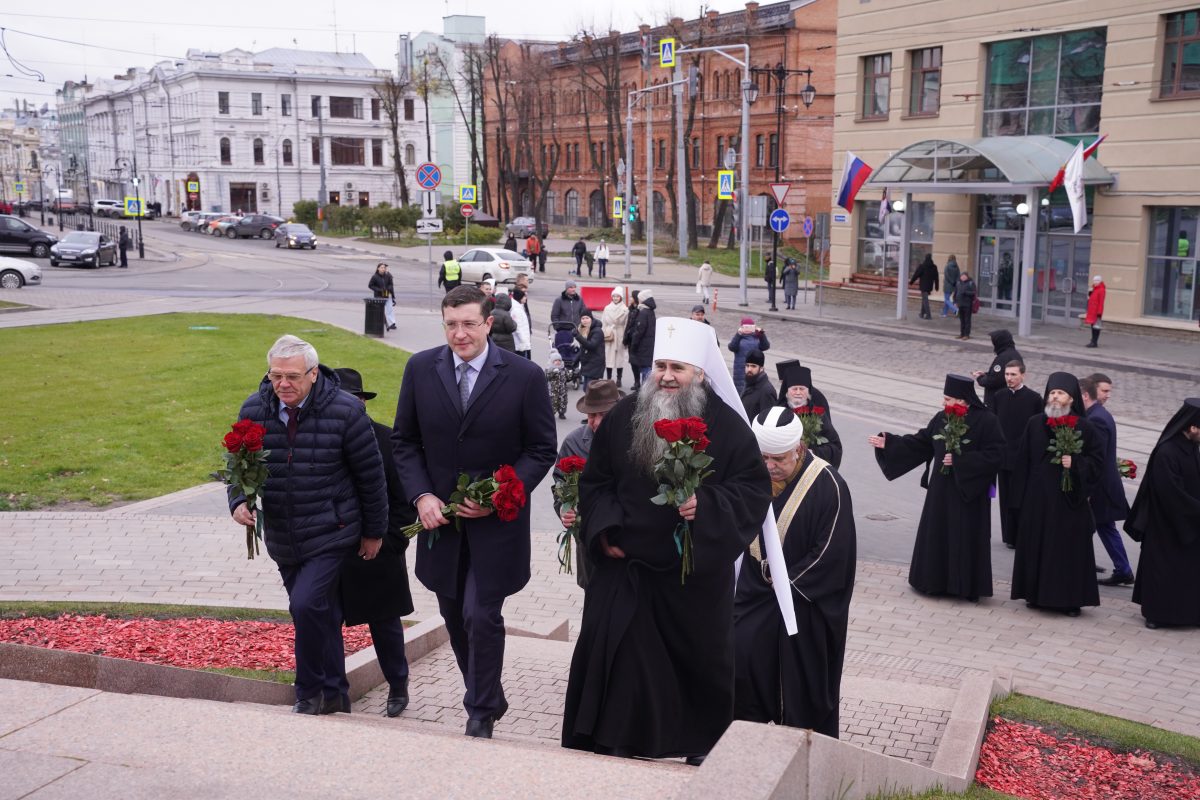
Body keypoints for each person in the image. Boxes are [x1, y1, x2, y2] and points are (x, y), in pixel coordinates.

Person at [562, 317, 772, 764]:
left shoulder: (730, 428)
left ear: (699, 372)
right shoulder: (626, 415)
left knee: (695, 662)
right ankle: (619, 740)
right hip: (628, 568)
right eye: (660, 365)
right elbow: (596, 483)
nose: (667, 376)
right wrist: (607, 533)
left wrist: (708, 506)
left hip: (690, 577)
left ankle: (697, 744)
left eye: (678, 367)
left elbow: (753, 491)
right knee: (624, 663)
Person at [392, 285, 558, 738]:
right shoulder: (421, 368)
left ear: (488, 323)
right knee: (453, 613)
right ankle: (488, 692)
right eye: (451, 324)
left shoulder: (524, 376)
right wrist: (421, 495)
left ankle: (480, 711)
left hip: (497, 526)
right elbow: (404, 441)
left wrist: (503, 493)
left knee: (480, 614)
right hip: (440, 524)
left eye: (468, 324)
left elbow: (542, 449)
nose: (459, 334)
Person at [228, 335, 388, 715]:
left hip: (333, 531)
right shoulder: (254, 408)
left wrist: (373, 532)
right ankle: (336, 694)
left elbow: (371, 477)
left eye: (293, 376)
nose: (283, 384)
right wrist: (237, 500)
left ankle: (308, 692)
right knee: (322, 612)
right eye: (276, 375)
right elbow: (237, 463)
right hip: (284, 534)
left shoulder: (347, 411)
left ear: (314, 374)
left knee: (305, 606)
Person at [735, 406, 856, 737]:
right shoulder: (752, 476)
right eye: (764, 458)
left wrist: (789, 581)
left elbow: (833, 552)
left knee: (798, 684)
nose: (770, 467)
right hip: (755, 595)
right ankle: (743, 738)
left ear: (799, 449)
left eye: (779, 460)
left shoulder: (828, 484)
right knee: (741, 661)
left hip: (804, 604)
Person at [868, 375, 1004, 602]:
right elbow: (922, 442)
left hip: (968, 493)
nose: (943, 403)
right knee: (938, 533)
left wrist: (962, 462)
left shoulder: (987, 421)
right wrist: (890, 442)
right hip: (941, 491)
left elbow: (997, 454)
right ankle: (933, 582)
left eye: (948, 399)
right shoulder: (942, 418)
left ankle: (964, 587)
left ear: (963, 400)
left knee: (964, 536)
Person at [333, 368, 415, 718]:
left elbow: (405, 499)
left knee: (386, 625)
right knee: (326, 623)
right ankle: (335, 690)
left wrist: (389, 541)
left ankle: (398, 686)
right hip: (334, 551)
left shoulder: (387, 439)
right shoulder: (325, 439)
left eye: (354, 400)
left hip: (380, 551)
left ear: (363, 402)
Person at [1009, 372, 1104, 617]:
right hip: (1038, 500)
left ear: (1071, 399)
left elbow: (1097, 464)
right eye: (1051, 392)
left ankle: (1068, 600)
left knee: (1065, 550)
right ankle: (1035, 594)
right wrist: (1018, 500)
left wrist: (1075, 464)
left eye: (1060, 393)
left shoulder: (1085, 427)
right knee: (1037, 545)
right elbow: (1023, 462)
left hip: (1069, 502)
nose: (1055, 397)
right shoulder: (1034, 423)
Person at [1125, 399, 1200, 629]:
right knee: (1163, 571)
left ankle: (1190, 614)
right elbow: (1171, 493)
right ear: (1192, 427)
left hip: (1189, 521)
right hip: (1165, 524)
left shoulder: (1192, 448)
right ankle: (1157, 614)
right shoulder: (1167, 451)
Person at [554, 380, 623, 589]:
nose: (597, 422)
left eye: (604, 414)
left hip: (623, 535)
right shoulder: (574, 442)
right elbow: (559, 484)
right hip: (588, 536)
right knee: (593, 594)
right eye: (592, 415)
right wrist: (565, 509)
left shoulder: (632, 438)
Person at [1080, 374, 1133, 586]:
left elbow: (1097, 459)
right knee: (1100, 526)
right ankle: (1119, 568)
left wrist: (1089, 490)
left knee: (1098, 526)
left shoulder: (1096, 419)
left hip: (1099, 486)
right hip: (1103, 484)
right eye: (1105, 390)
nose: (1108, 395)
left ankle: (1123, 570)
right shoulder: (1098, 414)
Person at [991, 360, 1042, 549]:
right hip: (1003, 457)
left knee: (1021, 498)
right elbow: (993, 424)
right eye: (1007, 374)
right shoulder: (999, 396)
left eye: (1013, 374)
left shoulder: (1034, 398)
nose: (1009, 378)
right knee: (1005, 498)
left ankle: (1023, 535)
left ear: (1023, 375)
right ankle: (1009, 536)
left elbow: (1039, 428)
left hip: (1023, 458)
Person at [776, 360, 842, 469]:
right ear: (787, 392)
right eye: (794, 389)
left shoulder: (818, 414)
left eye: (802, 389)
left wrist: (813, 452)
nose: (798, 392)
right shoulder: (777, 412)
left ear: (808, 392)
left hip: (810, 470)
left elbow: (835, 447)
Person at [972, 329, 1022, 410]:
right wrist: (986, 374)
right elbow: (1000, 375)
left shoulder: (1003, 358)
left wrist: (979, 378)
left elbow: (993, 380)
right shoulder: (1014, 354)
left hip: (997, 401)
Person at [728, 317, 770, 394]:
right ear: (741, 327)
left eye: (750, 327)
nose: (747, 329)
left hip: (755, 369)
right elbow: (732, 347)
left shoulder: (757, 337)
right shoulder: (739, 337)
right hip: (740, 370)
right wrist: (738, 334)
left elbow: (765, 346)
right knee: (740, 392)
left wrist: (762, 335)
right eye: (745, 327)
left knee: (754, 391)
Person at [627, 288, 657, 387]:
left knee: (645, 370)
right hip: (649, 345)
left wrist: (633, 345)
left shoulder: (643, 312)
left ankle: (645, 392)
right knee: (647, 367)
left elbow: (639, 331)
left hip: (643, 346)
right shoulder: (650, 311)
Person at [573, 308, 605, 393]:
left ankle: (594, 405)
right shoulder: (584, 330)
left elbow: (591, 345)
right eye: (583, 318)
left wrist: (578, 336)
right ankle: (591, 405)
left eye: (587, 318)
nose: (585, 320)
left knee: (590, 391)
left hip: (595, 364)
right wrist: (575, 361)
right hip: (587, 364)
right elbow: (583, 348)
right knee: (586, 389)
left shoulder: (597, 331)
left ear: (591, 318)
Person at [601, 288, 628, 386]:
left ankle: (619, 379)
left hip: (620, 333)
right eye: (614, 296)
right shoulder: (607, 308)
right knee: (609, 357)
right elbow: (603, 322)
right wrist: (603, 333)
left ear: (621, 297)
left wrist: (625, 337)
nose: (615, 298)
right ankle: (609, 378)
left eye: (617, 296)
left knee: (619, 358)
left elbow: (626, 324)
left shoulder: (625, 309)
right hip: (610, 334)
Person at [739, 349, 776, 421]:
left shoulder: (767, 391)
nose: (749, 369)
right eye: (747, 365)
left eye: (753, 366)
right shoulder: (749, 382)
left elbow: (767, 420)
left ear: (761, 368)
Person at [909, 253, 939, 320]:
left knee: (925, 300)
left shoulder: (922, 266)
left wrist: (911, 282)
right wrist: (937, 286)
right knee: (924, 299)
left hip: (923, 286)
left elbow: (916, 274)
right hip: (929, 286)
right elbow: (936, 277)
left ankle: (928, 315)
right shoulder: (934, 267)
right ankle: (922, 314)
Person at [369, 263, 397, 332]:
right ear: (378, 268)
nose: (383, 269)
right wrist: (378, 290)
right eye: (381, 267)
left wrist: (391, 293)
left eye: (384, 267)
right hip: (379, 295)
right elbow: (370, 285)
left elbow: (391, 284)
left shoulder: (388, 275)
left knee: (389, 309)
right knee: (379, 310)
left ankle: (392, 323)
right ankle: (381, 323)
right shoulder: (375, 277)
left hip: (387, 294)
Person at [623, 290, 642, 391]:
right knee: (632, 362)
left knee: (637, 362)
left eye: (631, 297)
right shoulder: (630, 310)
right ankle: (636, 381)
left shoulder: (640, 310)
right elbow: (628, 325)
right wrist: (625, 338)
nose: (630, 298)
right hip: (630, 339)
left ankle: (638, 381)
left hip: (637, 341)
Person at [954, 269, 977, 340]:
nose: (963, 278)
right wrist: (955, 302)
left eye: (964, 276)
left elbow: (974, 293)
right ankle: (962, 333)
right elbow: (955, 293)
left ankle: (967, 334)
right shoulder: (958, 283)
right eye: (962, 276)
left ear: (967, 277)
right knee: (962, 320)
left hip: (967, 304)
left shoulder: (971, 283)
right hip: (960, 304)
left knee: (967, 320)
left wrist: (966, 292)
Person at [546, 350, 569, 420]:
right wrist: (553, 373)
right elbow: (547, 377)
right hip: (553, 391)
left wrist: (571, 373)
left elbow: (568, 377)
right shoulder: (549, 370)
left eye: (559, 360)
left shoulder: (563, 369)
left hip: (563, 390)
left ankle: (562, 413)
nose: (558, 362)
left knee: (563, 402)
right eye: (555, 361)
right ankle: (551, 414)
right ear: (552, 362)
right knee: (553, 403)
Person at [511, 286, 532, 359]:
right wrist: (524, 341)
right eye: (524, 297)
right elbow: (518, 327)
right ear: (520, 297)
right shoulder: (516, 310)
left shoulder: (520, 308)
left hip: (523, 343)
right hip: (520, 344)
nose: (525, 298)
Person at [1085, 275, 1106, 348]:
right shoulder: (1094, 289)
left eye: (1097, 280)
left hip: (1096, 312)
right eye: (1094, 280)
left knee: (1096, 327)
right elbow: (1090, 299)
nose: (1095, 282)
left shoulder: (1101, 290)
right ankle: (1093, 340)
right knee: (1092, 326)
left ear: (1100, 281)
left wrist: (1099, 313)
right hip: (1092, 311)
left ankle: (1094, 342)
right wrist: (1090, 294)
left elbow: (1101, 302)